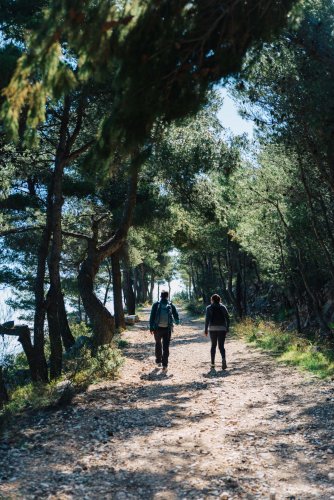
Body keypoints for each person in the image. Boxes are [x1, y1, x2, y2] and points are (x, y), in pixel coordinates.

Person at [149, 290, 179, 372]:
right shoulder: (170, 304)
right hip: (167, 329)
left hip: (157, 329)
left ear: (160, 296)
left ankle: (158, 361)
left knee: (158, 344)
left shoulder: (156, 304)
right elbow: (176, 314)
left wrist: (151, 327)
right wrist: (177, 321)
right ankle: (165, 365)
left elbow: (152, 316)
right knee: (166, 347)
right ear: (167, 296)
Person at [204, 294, 230, 370]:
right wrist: (227, 328)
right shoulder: (223, 307)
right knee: (221, 346)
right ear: (219, 300)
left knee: (213, 346)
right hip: (222, 328)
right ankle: (223, 359)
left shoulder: (209, 308)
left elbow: (207, 320)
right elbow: (228, 318)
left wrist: (206, 330)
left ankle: (212, 364)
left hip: (212, 328)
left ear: (212, 300)